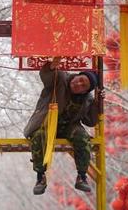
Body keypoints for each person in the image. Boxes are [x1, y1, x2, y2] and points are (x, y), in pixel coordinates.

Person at [24, 57, 99, 195]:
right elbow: (47, 76)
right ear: (78, 75)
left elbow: (91, 121)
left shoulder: (87, 99)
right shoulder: (61, 79)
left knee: (82, 137)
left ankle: (82, 176)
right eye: (81, 79)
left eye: (84, 86)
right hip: (47, 123)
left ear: (85, 92)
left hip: (68, 127)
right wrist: (52, 66)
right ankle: (40, 176)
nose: (79, 84)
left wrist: (98, 103)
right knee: (39, 136)